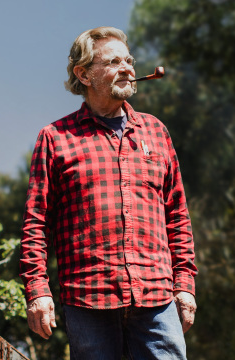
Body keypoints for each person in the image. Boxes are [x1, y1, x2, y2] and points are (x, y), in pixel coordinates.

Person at [19, 26, 198, 360]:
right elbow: (36, 223)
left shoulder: (156, 132)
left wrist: (184, 285)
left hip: (156, 296)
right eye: (114, 61)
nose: (128, 68)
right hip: (89, 298)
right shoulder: (56, 137)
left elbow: (178, 216)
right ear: (84, 74)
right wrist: (37, 290)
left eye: (129, 60)